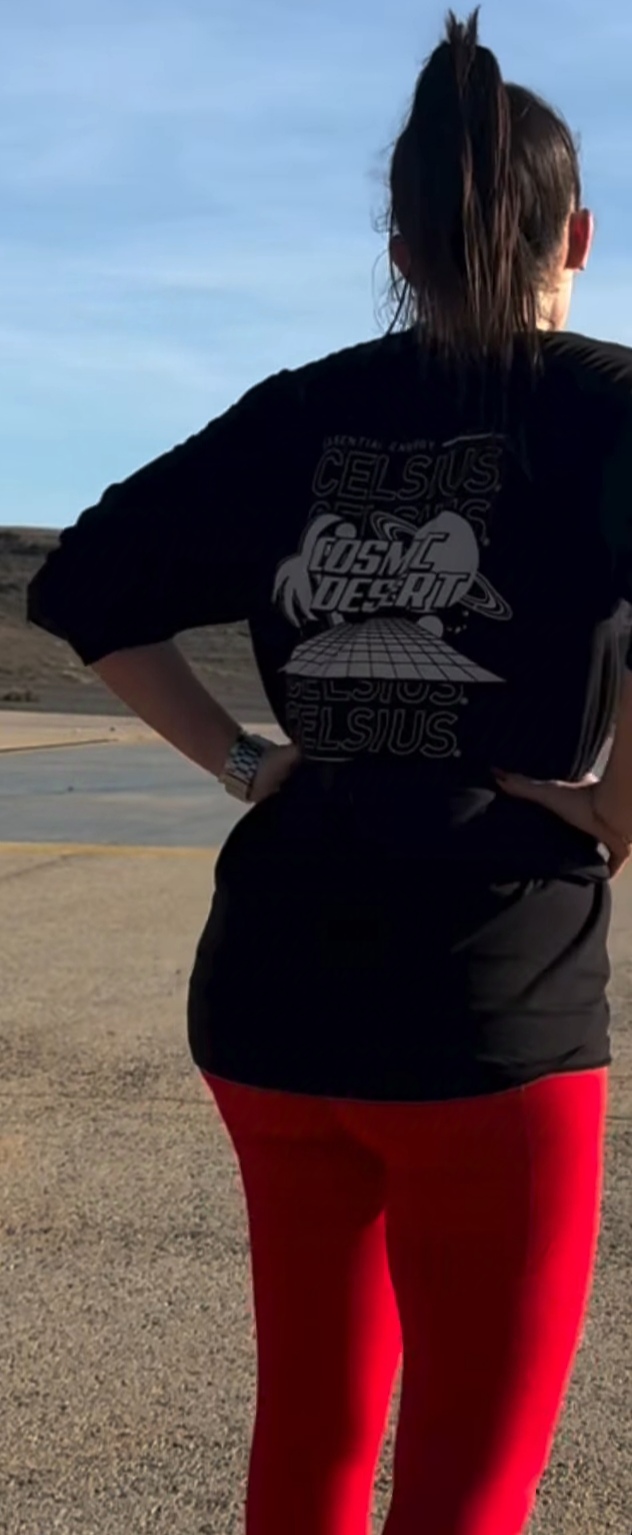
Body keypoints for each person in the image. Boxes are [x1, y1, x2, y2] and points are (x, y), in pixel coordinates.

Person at [26, 10, 632, 1534]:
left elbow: (88, 585)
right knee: (467, 1485)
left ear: (400, 249)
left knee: (309, 1430)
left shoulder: (299, 412)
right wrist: (619, 808)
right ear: (575, 233)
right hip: (486, 999)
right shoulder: (609, 407)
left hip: (269, 989)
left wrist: (244, 760)